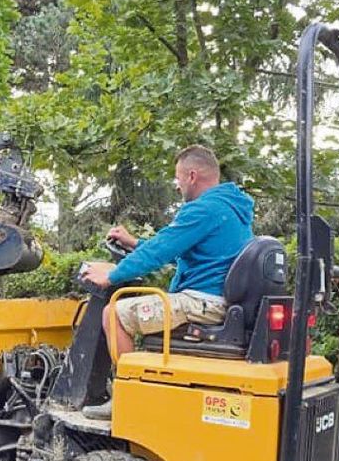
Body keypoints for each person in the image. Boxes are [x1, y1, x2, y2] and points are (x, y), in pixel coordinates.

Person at [79, 145, 254, 418]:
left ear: (192, 176)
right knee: (140, 310)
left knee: (113, 314)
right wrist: (135, 243)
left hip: (201, 302)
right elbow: (177, 249)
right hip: (215, 300)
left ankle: (127, 400)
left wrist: (110, 276)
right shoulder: (229, 209)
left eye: (178, 178)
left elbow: (160, 251)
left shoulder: (203, 209)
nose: (177, 185)